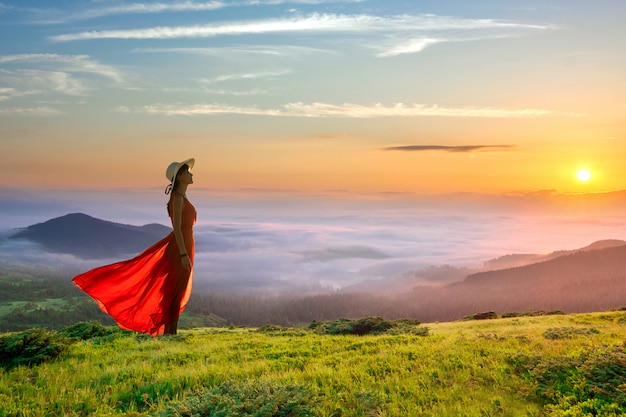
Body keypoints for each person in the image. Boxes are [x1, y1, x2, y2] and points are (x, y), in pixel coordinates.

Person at [72, 158, 197, 336]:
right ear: (180, 177)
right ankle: (170, 333)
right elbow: (176, 227)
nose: (191, 174)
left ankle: (170, 332)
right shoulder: (177, 199)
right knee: (174, 290)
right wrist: (183, 255)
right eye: (188, 172)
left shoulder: (181, 197)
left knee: (175, 289)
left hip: (183, 244)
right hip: (179, 247)